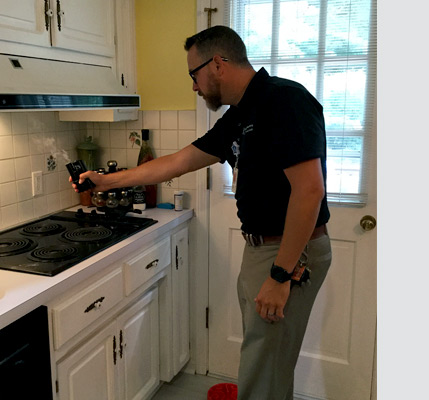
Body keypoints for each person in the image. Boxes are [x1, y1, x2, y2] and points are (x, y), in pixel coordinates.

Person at [70, 25, 332, 400]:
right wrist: (105, 181)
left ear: (219, 64)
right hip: (265, 250)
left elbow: (309, 192)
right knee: (266, 363)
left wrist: (280, 274)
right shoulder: (241, 114)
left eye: (194, 74)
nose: (194, 86)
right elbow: (178, 162)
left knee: (264, 369)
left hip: (288, 253)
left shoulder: (284, 101)